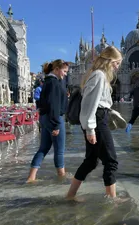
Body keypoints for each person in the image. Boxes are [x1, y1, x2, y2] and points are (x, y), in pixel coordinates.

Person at [66, 46, 123, 201]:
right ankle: (112, 199)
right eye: (117, 63)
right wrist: (90, 128)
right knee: (111, 161)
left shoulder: (99, 75)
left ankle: (70, 195)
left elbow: (99, 102)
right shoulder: (99, 75)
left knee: (91, 161)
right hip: (96, 121)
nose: (118, 66)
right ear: (110, 61)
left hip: (98, 118)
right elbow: (89, 104)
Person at [26, 59, 69, 183]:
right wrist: (55, 124)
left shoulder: (46, 82)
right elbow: (54, 105)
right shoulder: (55, 83)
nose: (65, 74)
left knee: (43, 148)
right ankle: (61, 177)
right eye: (64, 71)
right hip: (54, 119)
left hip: (45, 118)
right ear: (56, 69)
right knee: (59, 151)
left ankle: (31, 177)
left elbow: (41, 102)